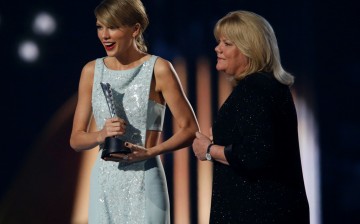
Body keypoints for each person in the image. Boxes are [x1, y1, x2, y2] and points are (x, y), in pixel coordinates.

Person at [69, 0, 199, 223]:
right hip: (104, 184)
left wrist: (150, 152)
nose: (105, 35)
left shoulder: (159, 68)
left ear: (135, 29)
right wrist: (101, 135)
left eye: (113, 27)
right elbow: (76, 139)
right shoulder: (91, 71)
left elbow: (190, 129)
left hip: (145, 177)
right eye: (100, 27)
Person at [192, 10, 309, 224]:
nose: (217, 48)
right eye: (219, 42)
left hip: (256, 213)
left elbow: (256, 154)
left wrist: (208, 150)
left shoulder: (255, 89)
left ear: (249, 50)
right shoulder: (269, 87)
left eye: (227, 43)